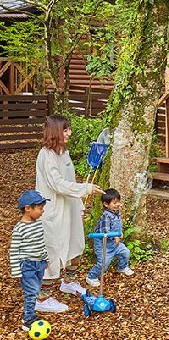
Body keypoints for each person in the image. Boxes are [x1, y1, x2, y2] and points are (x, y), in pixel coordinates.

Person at [35, 114, 105, 312]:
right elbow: (57, 184)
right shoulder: (46, 155)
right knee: (53, 253)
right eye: (65, 130)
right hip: (54, 213)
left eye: (69, 129)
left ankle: (69, 282)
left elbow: (69, 181)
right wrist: (86, 188)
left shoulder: (63, 152)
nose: (70, 133)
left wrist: (79, 204)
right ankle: (42, 299)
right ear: (55, 131)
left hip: (71, 208)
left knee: (76, 245)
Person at [9, 190, 51, 331]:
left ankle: (29, 314)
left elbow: (41, 243)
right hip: (27, 265)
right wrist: (16, 271)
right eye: (40, 208)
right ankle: (28, 318)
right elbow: (14, 251)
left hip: (39, 264)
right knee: (32, 291)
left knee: (36, 289)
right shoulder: (19, 229)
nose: (42, 211)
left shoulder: (37, 224)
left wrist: (45, 258)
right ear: (28, 208)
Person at [85, 188, 133, 286]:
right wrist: (116, 236)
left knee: (125, 253)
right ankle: (91, 276)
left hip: (114, 244)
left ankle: (122, 267)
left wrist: (120, 232)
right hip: (103, 246)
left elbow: (117, 226)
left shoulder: (116, 213)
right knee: (104, 263)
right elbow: (105, 232)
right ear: (106, 204)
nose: (118, 204)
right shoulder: (106, 216)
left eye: (118, 202)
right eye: (114, 203)